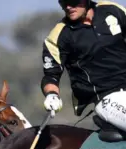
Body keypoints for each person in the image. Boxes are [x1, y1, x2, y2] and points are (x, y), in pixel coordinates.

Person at [41, 0, 126, 141]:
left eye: (73, 1)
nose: (68, 6)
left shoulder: (112, 10)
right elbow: (51, 76)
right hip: (106, 98)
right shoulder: (59, 36)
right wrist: (51, 94)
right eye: (63, 2)